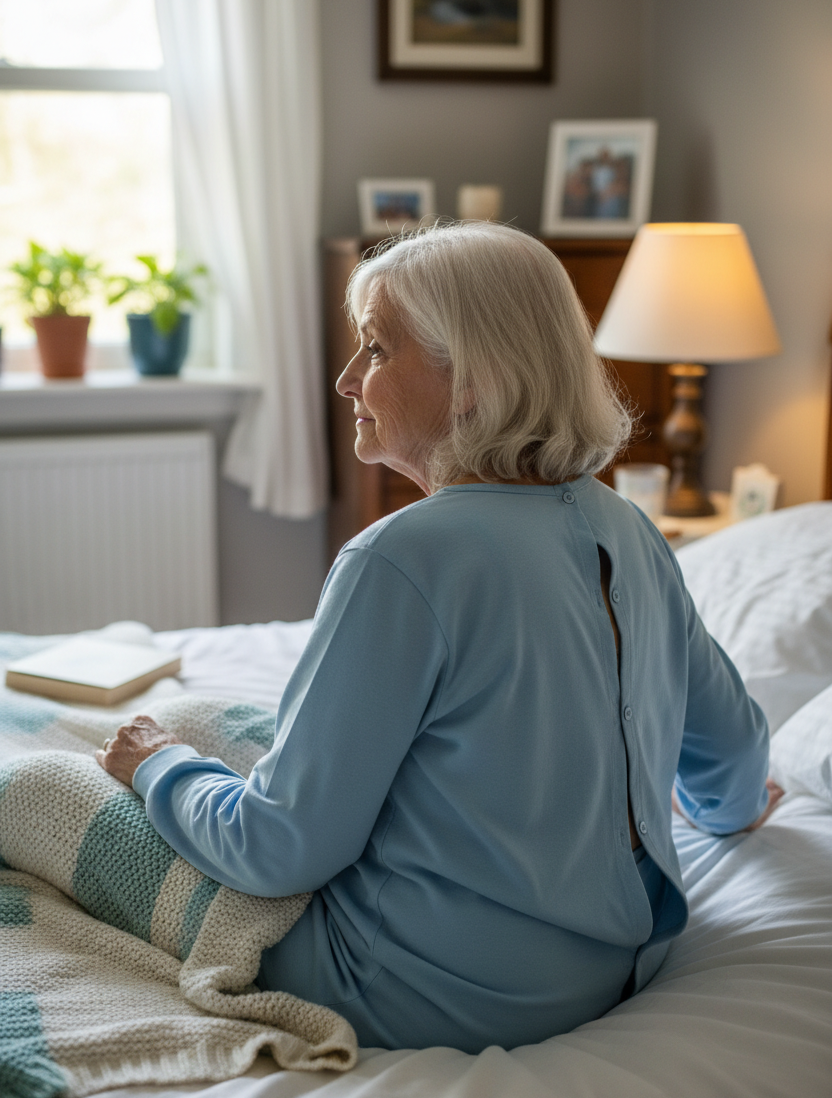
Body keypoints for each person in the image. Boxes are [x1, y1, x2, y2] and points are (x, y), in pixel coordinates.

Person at [98, 222, 772, 1056]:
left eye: (377, 351)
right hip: (617, 964)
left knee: (50, 787)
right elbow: (737, 763)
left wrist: (155, 763)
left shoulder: (402, 557)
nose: (347, 380)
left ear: (473, 383)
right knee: (225, 728)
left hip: (429, 989)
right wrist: (723, 807)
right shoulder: (630, 529)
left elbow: (278, 850)